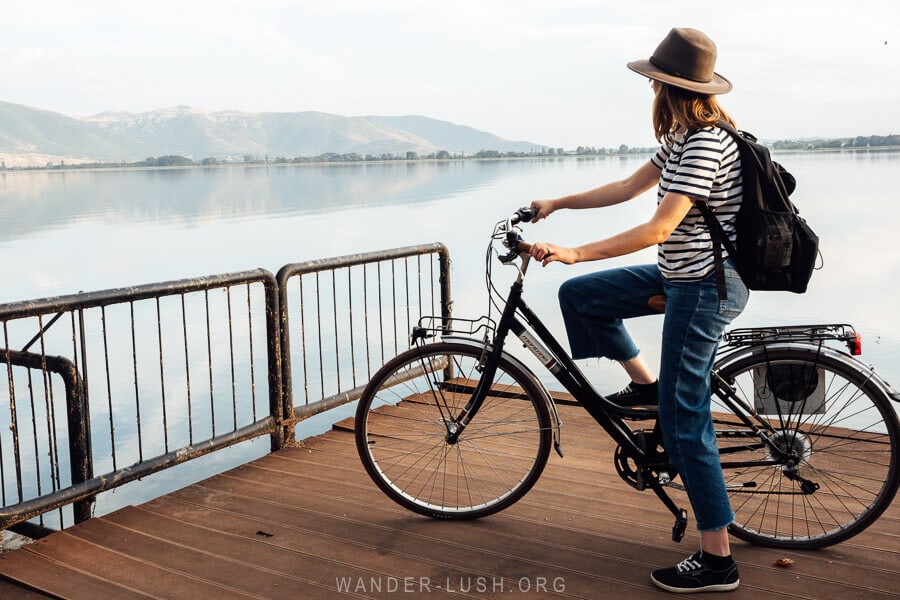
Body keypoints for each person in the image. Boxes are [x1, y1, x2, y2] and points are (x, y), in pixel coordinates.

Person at [527, 28, 747, 594]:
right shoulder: (682, 137)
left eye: (652, 81)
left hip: (705, 287)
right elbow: (628, 187)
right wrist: (558, 204)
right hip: (681, 278)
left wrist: (575, 251)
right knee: (581, 296)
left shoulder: (707, 143)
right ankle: (645, 384)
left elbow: (656, 228)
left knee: (684, 419)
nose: (648, 88)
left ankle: (718, 559)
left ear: (665, 86)